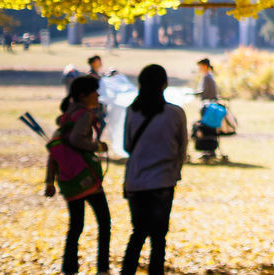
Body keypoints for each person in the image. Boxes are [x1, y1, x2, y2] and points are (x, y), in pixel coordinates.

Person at [121, 64, 188, 275]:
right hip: (163, 180)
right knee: (159, 238)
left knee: (138, 233)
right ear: (164, 84)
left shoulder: (132, 111)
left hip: (137, 180)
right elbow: (182, 148)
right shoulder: (176, 113)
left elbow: (127, 145)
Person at [45, 75, 111, 275]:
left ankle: (70, 268)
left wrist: (49, 181)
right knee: (104, 221)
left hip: (68, 179)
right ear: (83, 95)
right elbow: (76, 140)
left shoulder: (66, 116)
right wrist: (97, 146)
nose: (98, 94)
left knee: (75, 226)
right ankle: (102, 268)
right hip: (86, 178)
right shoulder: (84, 115)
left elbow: (54, 150)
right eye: (94, 91)